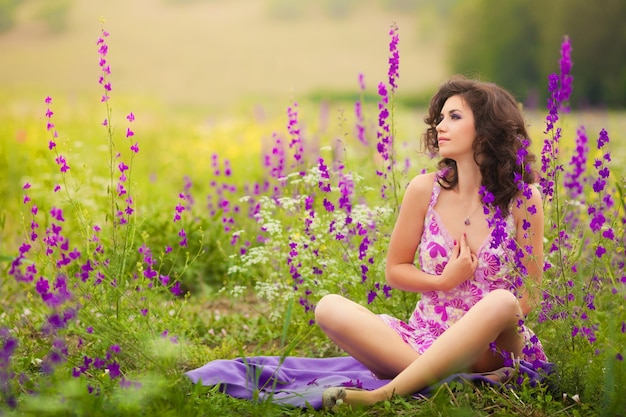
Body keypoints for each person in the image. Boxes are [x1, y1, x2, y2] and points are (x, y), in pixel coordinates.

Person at [315, 76, 547, 409]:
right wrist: (443, 281)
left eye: (454, 116)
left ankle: (380, 395)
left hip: (491, 347)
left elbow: (532, 292)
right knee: (329, 307)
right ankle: (451, 380)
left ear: (486, 128)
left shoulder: (525, 199)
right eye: (440, 118)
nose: (440, 125)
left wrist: (477, 330)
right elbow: (396, 270)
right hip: (424, 336)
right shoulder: (424, 190)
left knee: (502, 302)